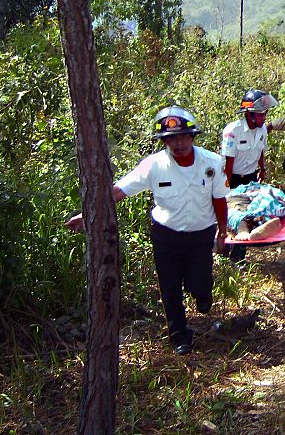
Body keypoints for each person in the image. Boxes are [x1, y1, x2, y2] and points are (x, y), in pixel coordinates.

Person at [67, 107, 228, 355]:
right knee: (170, 288)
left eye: (183, 136)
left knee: (201, 285)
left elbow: (220, 200)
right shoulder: (154, 165)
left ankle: (202, 295)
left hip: (200, 235)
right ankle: (179, 336)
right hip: (167, 236)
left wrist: (223, 232)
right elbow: (119, 190)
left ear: (193, 137)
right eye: (171, 138)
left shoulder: (213, 162)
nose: (179, 143)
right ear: (164, 142)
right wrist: (87, 215)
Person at [221, 89, 278, 262]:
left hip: (251, 179)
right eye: (261, 115)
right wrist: (225, 188)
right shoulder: (233, 131)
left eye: (265, 114)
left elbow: (261, 151)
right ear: (250, 114)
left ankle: (238, 257)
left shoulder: (262, 130)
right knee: (234, 215)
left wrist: (262, 169)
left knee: (249, 214)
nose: (264, 118)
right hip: (233, 178)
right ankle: (227, 253)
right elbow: (228, 163)